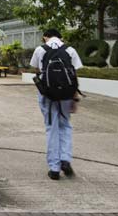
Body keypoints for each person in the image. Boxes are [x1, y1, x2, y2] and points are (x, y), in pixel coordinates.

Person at [29, 29, 83, 180]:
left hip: (48, 95)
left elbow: (37, 70)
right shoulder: (70, 50)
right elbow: (74, 75)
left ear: (45, 37)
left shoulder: (40, 49)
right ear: (61, 37)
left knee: (51, 128)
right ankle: (65, 160)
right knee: (65, 125)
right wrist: (75, 98)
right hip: (66, 94)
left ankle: (54, 168)